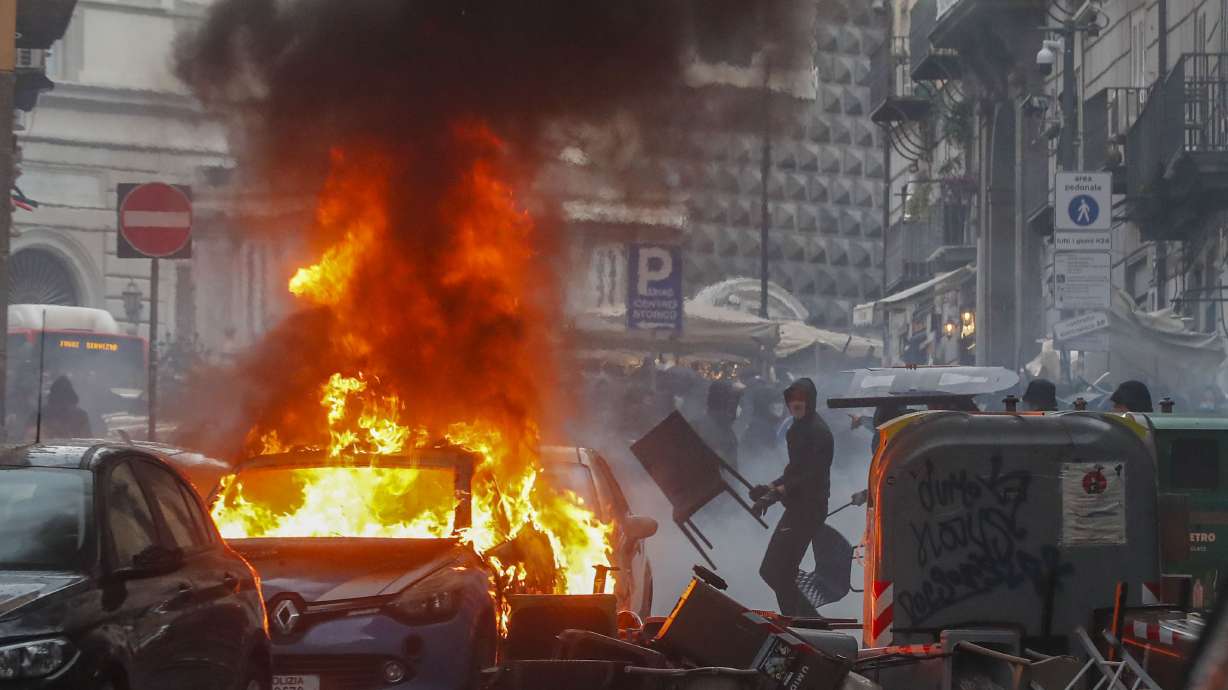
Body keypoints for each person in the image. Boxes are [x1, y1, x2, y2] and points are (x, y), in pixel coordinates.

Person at [751, 378, 834, 617]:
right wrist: (769, 487)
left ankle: (807, 623)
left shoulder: (819, 432)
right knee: (777, 571)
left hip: (809, 509)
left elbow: (812, 475)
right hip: (799, 507)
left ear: (810, 401)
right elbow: (794, 470)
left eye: (801, 398)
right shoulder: (797, 429)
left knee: (775, 571)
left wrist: (777, 493)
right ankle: (800, 621)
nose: (796, 403)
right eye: (792, 398)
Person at [692, 380, 742, 470]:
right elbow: (729, 475)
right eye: (738, 403)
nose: (740, 408)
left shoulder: (695, 424)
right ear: (729, 404)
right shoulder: (725, 434)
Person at [27, 376, 92, 440]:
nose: (63, 406)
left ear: (72, 401)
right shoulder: (38, 418)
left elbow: (87, 441)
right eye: (59, 401)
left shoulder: (80, 417)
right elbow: (29, 442)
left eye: (66, 400)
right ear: (52, 402)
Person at [740, 385, 784, 463]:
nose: (780, 406)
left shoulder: (772, 425)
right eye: (775, 403)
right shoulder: (758, 431)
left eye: (781, 402)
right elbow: (763, 460)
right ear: (764, 406)